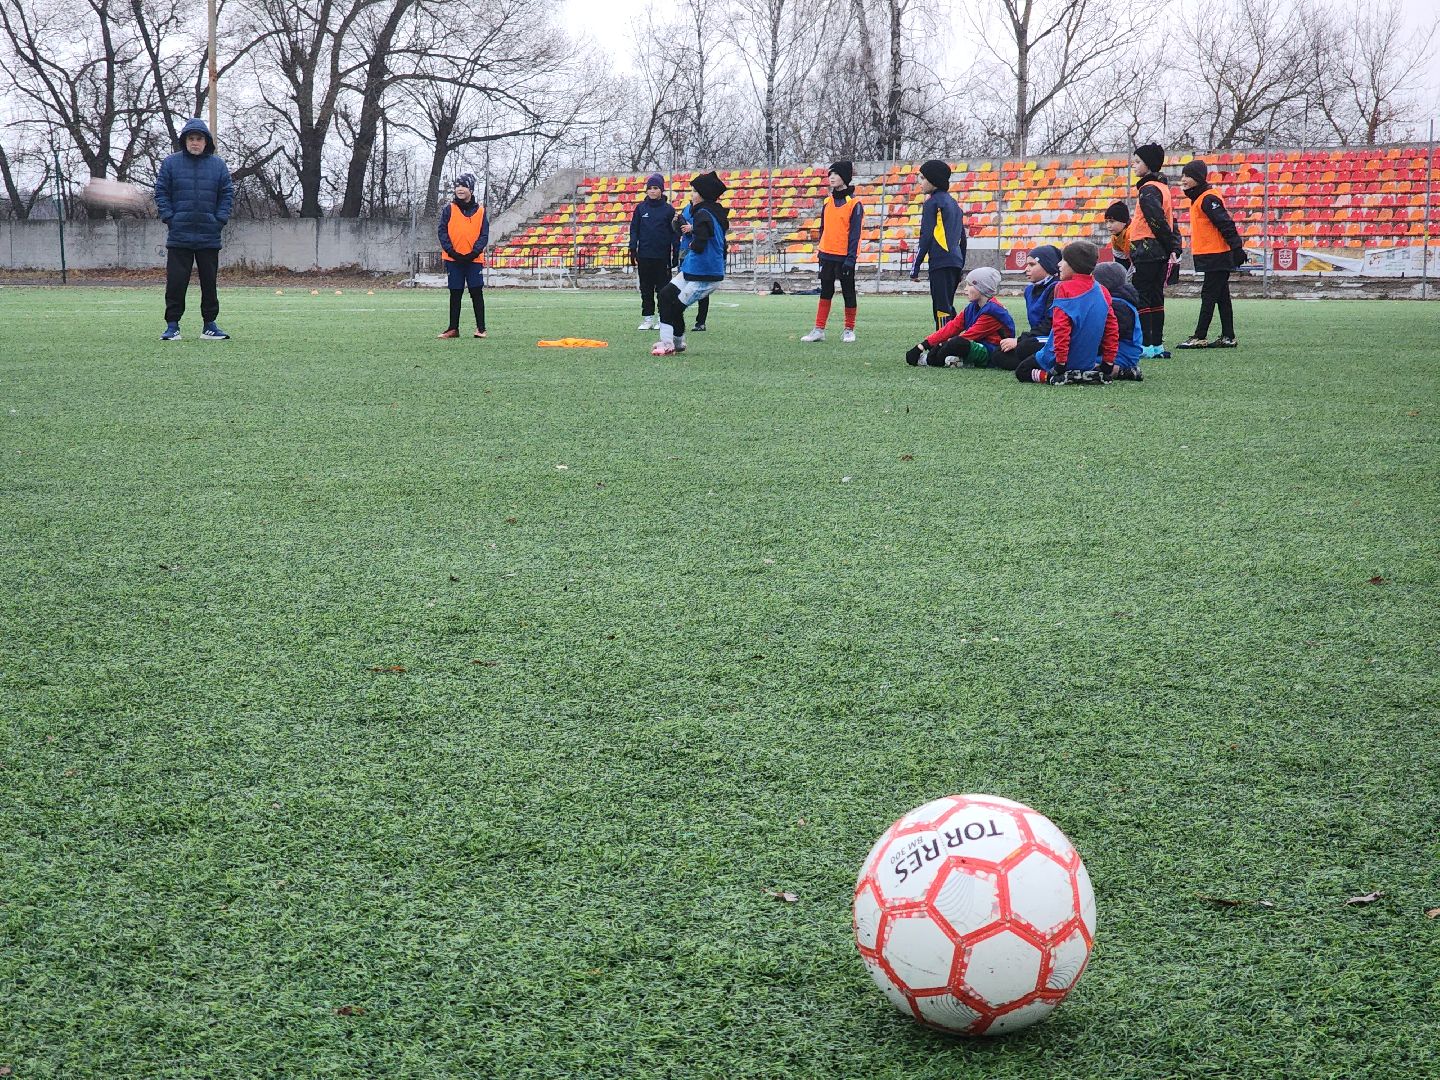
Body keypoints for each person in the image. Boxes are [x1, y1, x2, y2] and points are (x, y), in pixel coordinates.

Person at [153, 118, 233, 341]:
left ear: (206, 142)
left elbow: (226, 194)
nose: (195, 142)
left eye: (199, 139)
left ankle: (210, 326)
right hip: (179, 235)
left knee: (209, 283)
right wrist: (171, 218)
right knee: (176, 283)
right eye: (191, 138)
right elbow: (161, 193)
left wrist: (219, 220)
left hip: (209, 235)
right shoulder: (171, 164)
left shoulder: (218, 165)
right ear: (185, 141)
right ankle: (172, 326)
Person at [1015, 241, 1117, 385]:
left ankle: (1052, 377)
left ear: (1074, 265)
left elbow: (1061, 328)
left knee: (1022, 370)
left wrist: (1060, 364)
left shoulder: (1063, 288)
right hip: (1086, 361)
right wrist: (1108, 362)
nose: (1059, 264)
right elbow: (1111, 329)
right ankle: (1085, 374)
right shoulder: (1103, 290)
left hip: (1059, 359)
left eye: (1064, 260)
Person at [652, 171, 728, 357]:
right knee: (665, 295)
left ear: (703, 195)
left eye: (694, 191)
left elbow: (701, 242)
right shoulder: (711, 212)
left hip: (705, 274)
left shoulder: (703, 213)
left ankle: (669, 344)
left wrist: (693, 242)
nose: (691, 195)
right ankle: (674, 343)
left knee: (674, 307)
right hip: (694, 269)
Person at [1175, 159, 1247, 349]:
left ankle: (1200, 336)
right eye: (1183, 175)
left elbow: (1225, 223)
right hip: (1213, 254)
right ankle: (1228, 336)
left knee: (1209, 295)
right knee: (1222, 296)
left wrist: (1237, 247)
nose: (1183, 179)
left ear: (1198, 178)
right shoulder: (1201, 197)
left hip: (1217, 254)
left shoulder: (1207, 198)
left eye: (1188, 176)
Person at [801, 161, 864, 343]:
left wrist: (851, 258)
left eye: (835, 174)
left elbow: (855, 235)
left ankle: (849, 330)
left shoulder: (855, 204)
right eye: (830, 174)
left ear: (844, 177)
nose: (832, 177)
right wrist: (821, 251)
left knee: (848, 292)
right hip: (826, 255)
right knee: (825, 292)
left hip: (844, 257)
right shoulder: (827, 201)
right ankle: (819, 329)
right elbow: (823, 228)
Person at [1129, 143, 1182, 359]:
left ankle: (1145, 345)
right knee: (1156, 296)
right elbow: (1170, 221)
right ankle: (1157, 345)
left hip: (1147, 249)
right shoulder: (1162, 188)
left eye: (1137, 162)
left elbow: (1156, 220)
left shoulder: (1148, 189)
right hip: (1158, 250)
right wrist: (1172, 245)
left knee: (1143, 296)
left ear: (1149, 164)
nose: (1133, 165)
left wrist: (1169, 243)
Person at [904, 267, 1014, 368]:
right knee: (954, 343)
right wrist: (923, 345)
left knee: (957, 343)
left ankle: (928, 360)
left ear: (982, 288)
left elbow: (969, 336)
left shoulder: (993, 311)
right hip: (977, 345)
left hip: (992, 351)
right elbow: (953, 326)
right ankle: (962, 361)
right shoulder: (972, 307)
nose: (965, 289)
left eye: (969, 285)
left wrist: (940, 346)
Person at [909, 159, 967, 332]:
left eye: (922, 178)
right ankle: (956, 339)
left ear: (933, 180)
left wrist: (915, 267)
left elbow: (926, 236)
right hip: (955, 261)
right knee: (948, 305)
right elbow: (963, 239)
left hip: (940, 261)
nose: (920, 182)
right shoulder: (954, 204)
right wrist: (961, 265)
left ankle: (943, 343)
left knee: (941, 308)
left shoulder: (932, 203)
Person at [436, 172, 489, 339]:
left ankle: (481, 329)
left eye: (464, 186)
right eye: (457, 186)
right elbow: (442, 232)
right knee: (455, 292)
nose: (460, 189)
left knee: (476, 291)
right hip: (453, 259)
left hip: (474, 259)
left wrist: (474, 253)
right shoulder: (448, 209)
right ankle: (453, 328)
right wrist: (452, 252)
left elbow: (484, 235)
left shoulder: (481, 211)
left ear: (471, 189)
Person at [996, 244, 1062, 372]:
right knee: (999, 353)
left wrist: (1020, 340)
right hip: (1038, 338)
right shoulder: (1029, 290)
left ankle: (1041, 363)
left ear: (1047, 266)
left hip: (1053, 337)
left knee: (1025, 347)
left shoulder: (1057, 288)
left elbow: (1049, 326)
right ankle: (1037, 362)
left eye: (1032, 265)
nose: (1026, 269)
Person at [629, 173, 679, 330]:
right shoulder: (640, 208)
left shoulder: (669, 210)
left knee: (663, 290)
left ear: (661, 190)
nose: (652, 191)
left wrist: (675, 252)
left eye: (655, 188)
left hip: (662, 257)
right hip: (644, 255)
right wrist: (632, 248)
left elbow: (674, 233)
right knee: (646, 289)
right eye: (649, 188)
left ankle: (662, 319)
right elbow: (634, 229)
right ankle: (648, 318)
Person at [1093, 262, 1144, 381]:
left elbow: (1109, 336)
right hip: (1121, 352)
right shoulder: (1121, 301)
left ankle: (1122, 371)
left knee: (1079, 364)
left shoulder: (1118, 306)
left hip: (1122, 354)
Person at [1104, 202, 1132, 271]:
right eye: (1106, 222)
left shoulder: (1133, 234)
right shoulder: (1114, 238)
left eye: (1112, 221)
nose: (1108, 226)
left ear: (1123, 221)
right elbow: (1120, 262)